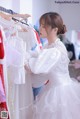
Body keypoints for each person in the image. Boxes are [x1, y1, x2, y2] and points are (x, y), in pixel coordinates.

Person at [25, 12, 80, 119]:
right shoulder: (50, 46)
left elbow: (36, 67)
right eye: (40, 25)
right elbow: (39, 57)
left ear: (54, 29)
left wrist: (23, 59)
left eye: (44, 26)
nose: (40, 28)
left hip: (59, 93)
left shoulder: (55, 50)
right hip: (57, 88)